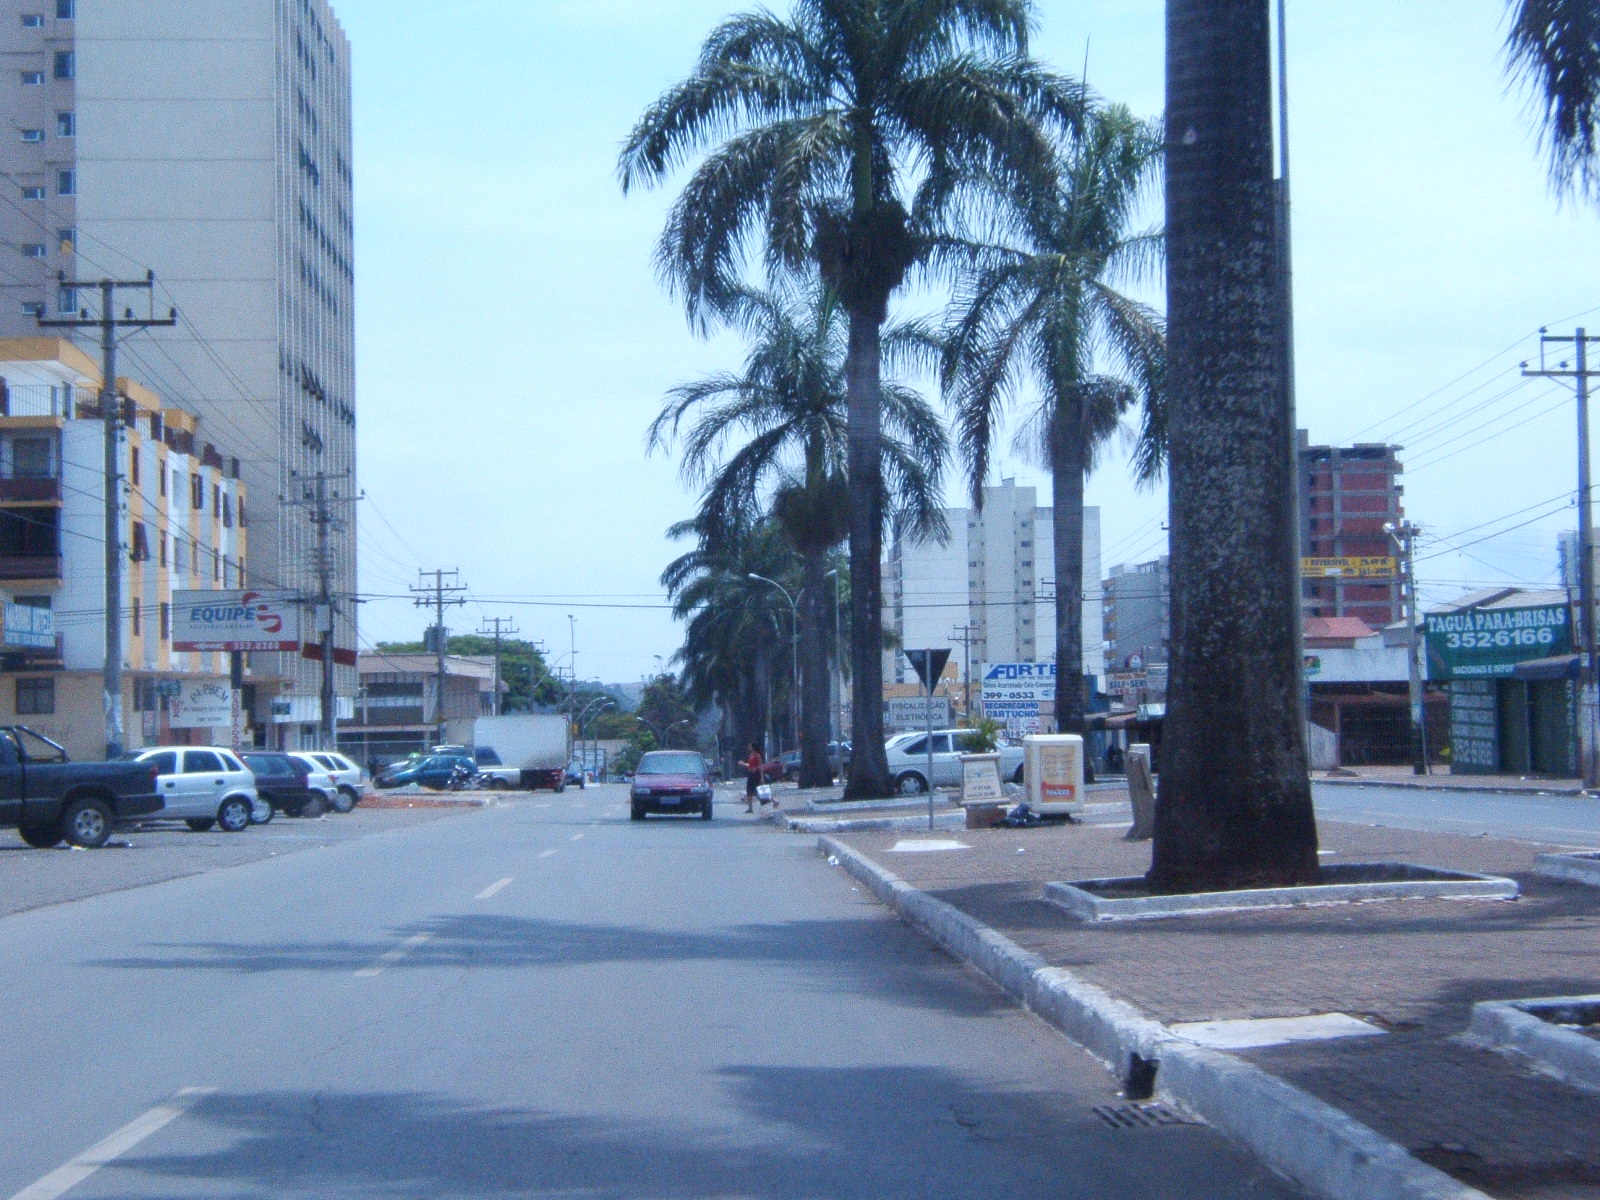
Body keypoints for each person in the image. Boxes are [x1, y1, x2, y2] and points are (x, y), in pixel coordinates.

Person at [743, 742, 765, 813]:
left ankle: (774, 800)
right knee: (749, 791)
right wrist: (743, 764)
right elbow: (750, 765)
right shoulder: (751, 755)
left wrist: (762, 777)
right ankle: (750, 808)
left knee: (759, 791)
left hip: (756, 775)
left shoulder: (757, 755)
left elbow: (760, 766)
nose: (748, 747)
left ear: (753, 747)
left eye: (750, 746)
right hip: (750, 774)